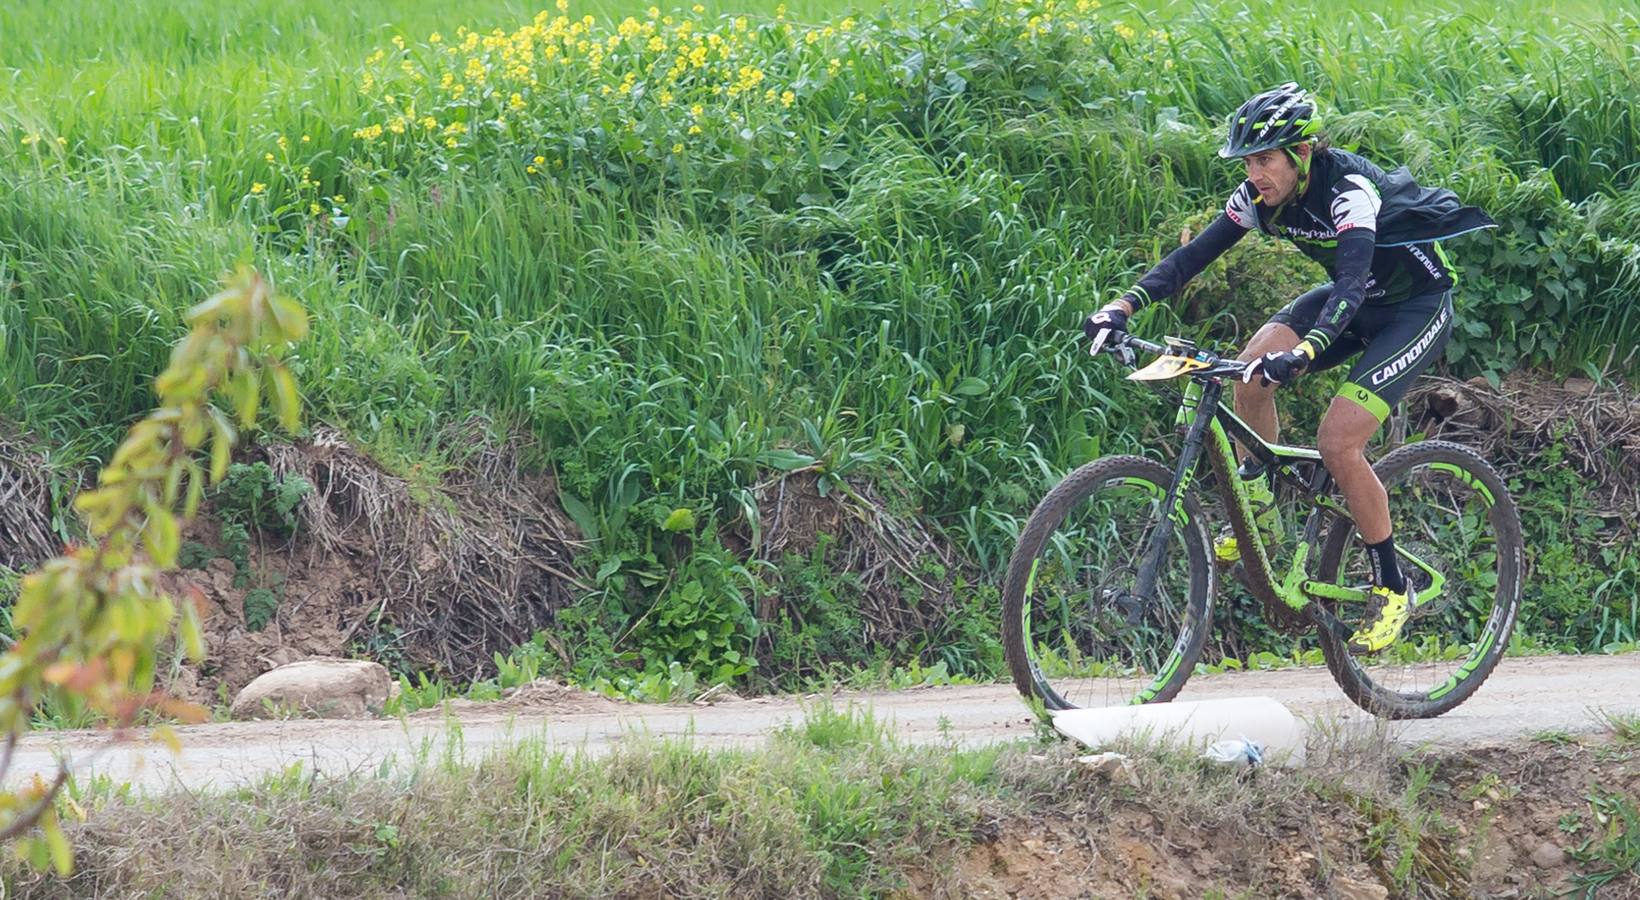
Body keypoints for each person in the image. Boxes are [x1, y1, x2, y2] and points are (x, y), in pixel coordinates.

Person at [1082, 82, 1494, 655]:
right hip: (1353, 300)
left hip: (1412, 307)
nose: (1256, 173)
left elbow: (1350, 284)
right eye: (1248, 161)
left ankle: (1393, 586)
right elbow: (1190, 259)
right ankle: (1262, 510)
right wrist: (1122, 306)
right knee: (1249, 366)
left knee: (1339, 441)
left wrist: (1304, 352)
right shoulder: (1256, 197)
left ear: (1302, 154)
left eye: (1266, 159)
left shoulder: (1348, 191)